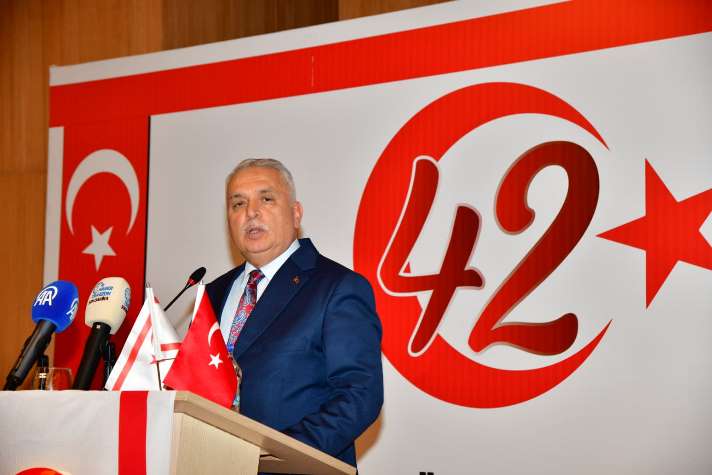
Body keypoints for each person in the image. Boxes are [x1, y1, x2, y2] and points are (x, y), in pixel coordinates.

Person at [206, 158, 383, 468]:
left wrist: (275, 455)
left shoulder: (337, 287)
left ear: (296, 213)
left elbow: (359, 395)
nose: (251, 212)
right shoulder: (212, 292)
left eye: (266, 199)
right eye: (238, 203)